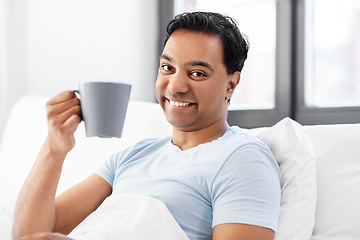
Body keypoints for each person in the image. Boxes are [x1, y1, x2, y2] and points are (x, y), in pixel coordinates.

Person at [12, 12, 281, 240]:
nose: (175, 87)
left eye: (197, 73)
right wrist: (53, 149)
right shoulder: (133, 156)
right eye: (167, 68)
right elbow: (29, 233)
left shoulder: (243, 158)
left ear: (231, 85)